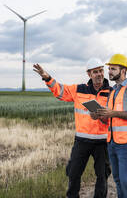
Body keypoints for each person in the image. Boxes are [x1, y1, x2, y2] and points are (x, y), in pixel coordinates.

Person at [33, 58, 112, 198]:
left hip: (103, 142)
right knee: (73, 173)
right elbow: (60, 91)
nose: (99, 74)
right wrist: (47, 78)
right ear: (89, 74)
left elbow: (114, 117)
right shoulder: (78, 90)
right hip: (82, 141)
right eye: (95, 72)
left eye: (101, 71)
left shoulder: (112, 93)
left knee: (102, 175)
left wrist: (102, 116)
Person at [91, 53, 127, 198]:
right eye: (109, 69)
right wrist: (99, 117)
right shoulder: (113, 91)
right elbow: (110, 119)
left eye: (113, 69)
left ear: (123, 71)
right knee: (118, 180)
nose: (109, 72)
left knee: (126, 182)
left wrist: (113, 112)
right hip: (112, 142)